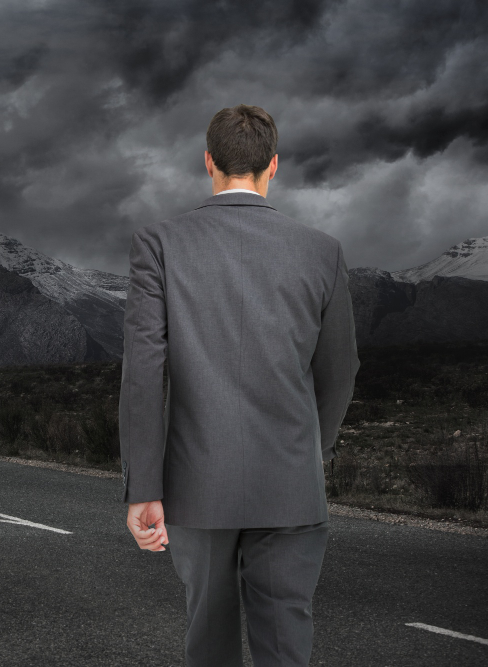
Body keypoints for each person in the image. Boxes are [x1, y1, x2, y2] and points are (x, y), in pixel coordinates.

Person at [118, 104, 360, 666]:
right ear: (273, 165)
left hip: (197, 486)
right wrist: (306, 450)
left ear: (209, 162)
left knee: (209, 643)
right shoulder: (323, 251)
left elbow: (143, 374)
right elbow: (340, 370)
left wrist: (144, 488)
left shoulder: (158, 243)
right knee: (285, 646)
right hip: (290, 484)